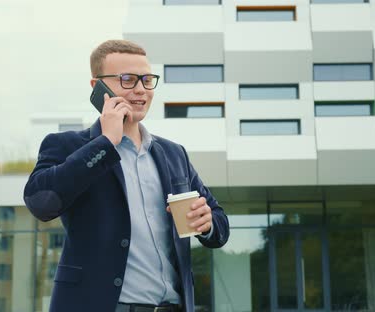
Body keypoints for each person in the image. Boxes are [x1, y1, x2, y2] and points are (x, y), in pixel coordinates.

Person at [23, 40, 230, 312]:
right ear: (97, 87)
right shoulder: (67, 146)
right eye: (128, 80)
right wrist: (105, 143)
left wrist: (208, 222)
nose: (141, 90)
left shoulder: (173, 154)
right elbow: (41, 203)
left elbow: (220, 226)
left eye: (146, 80)